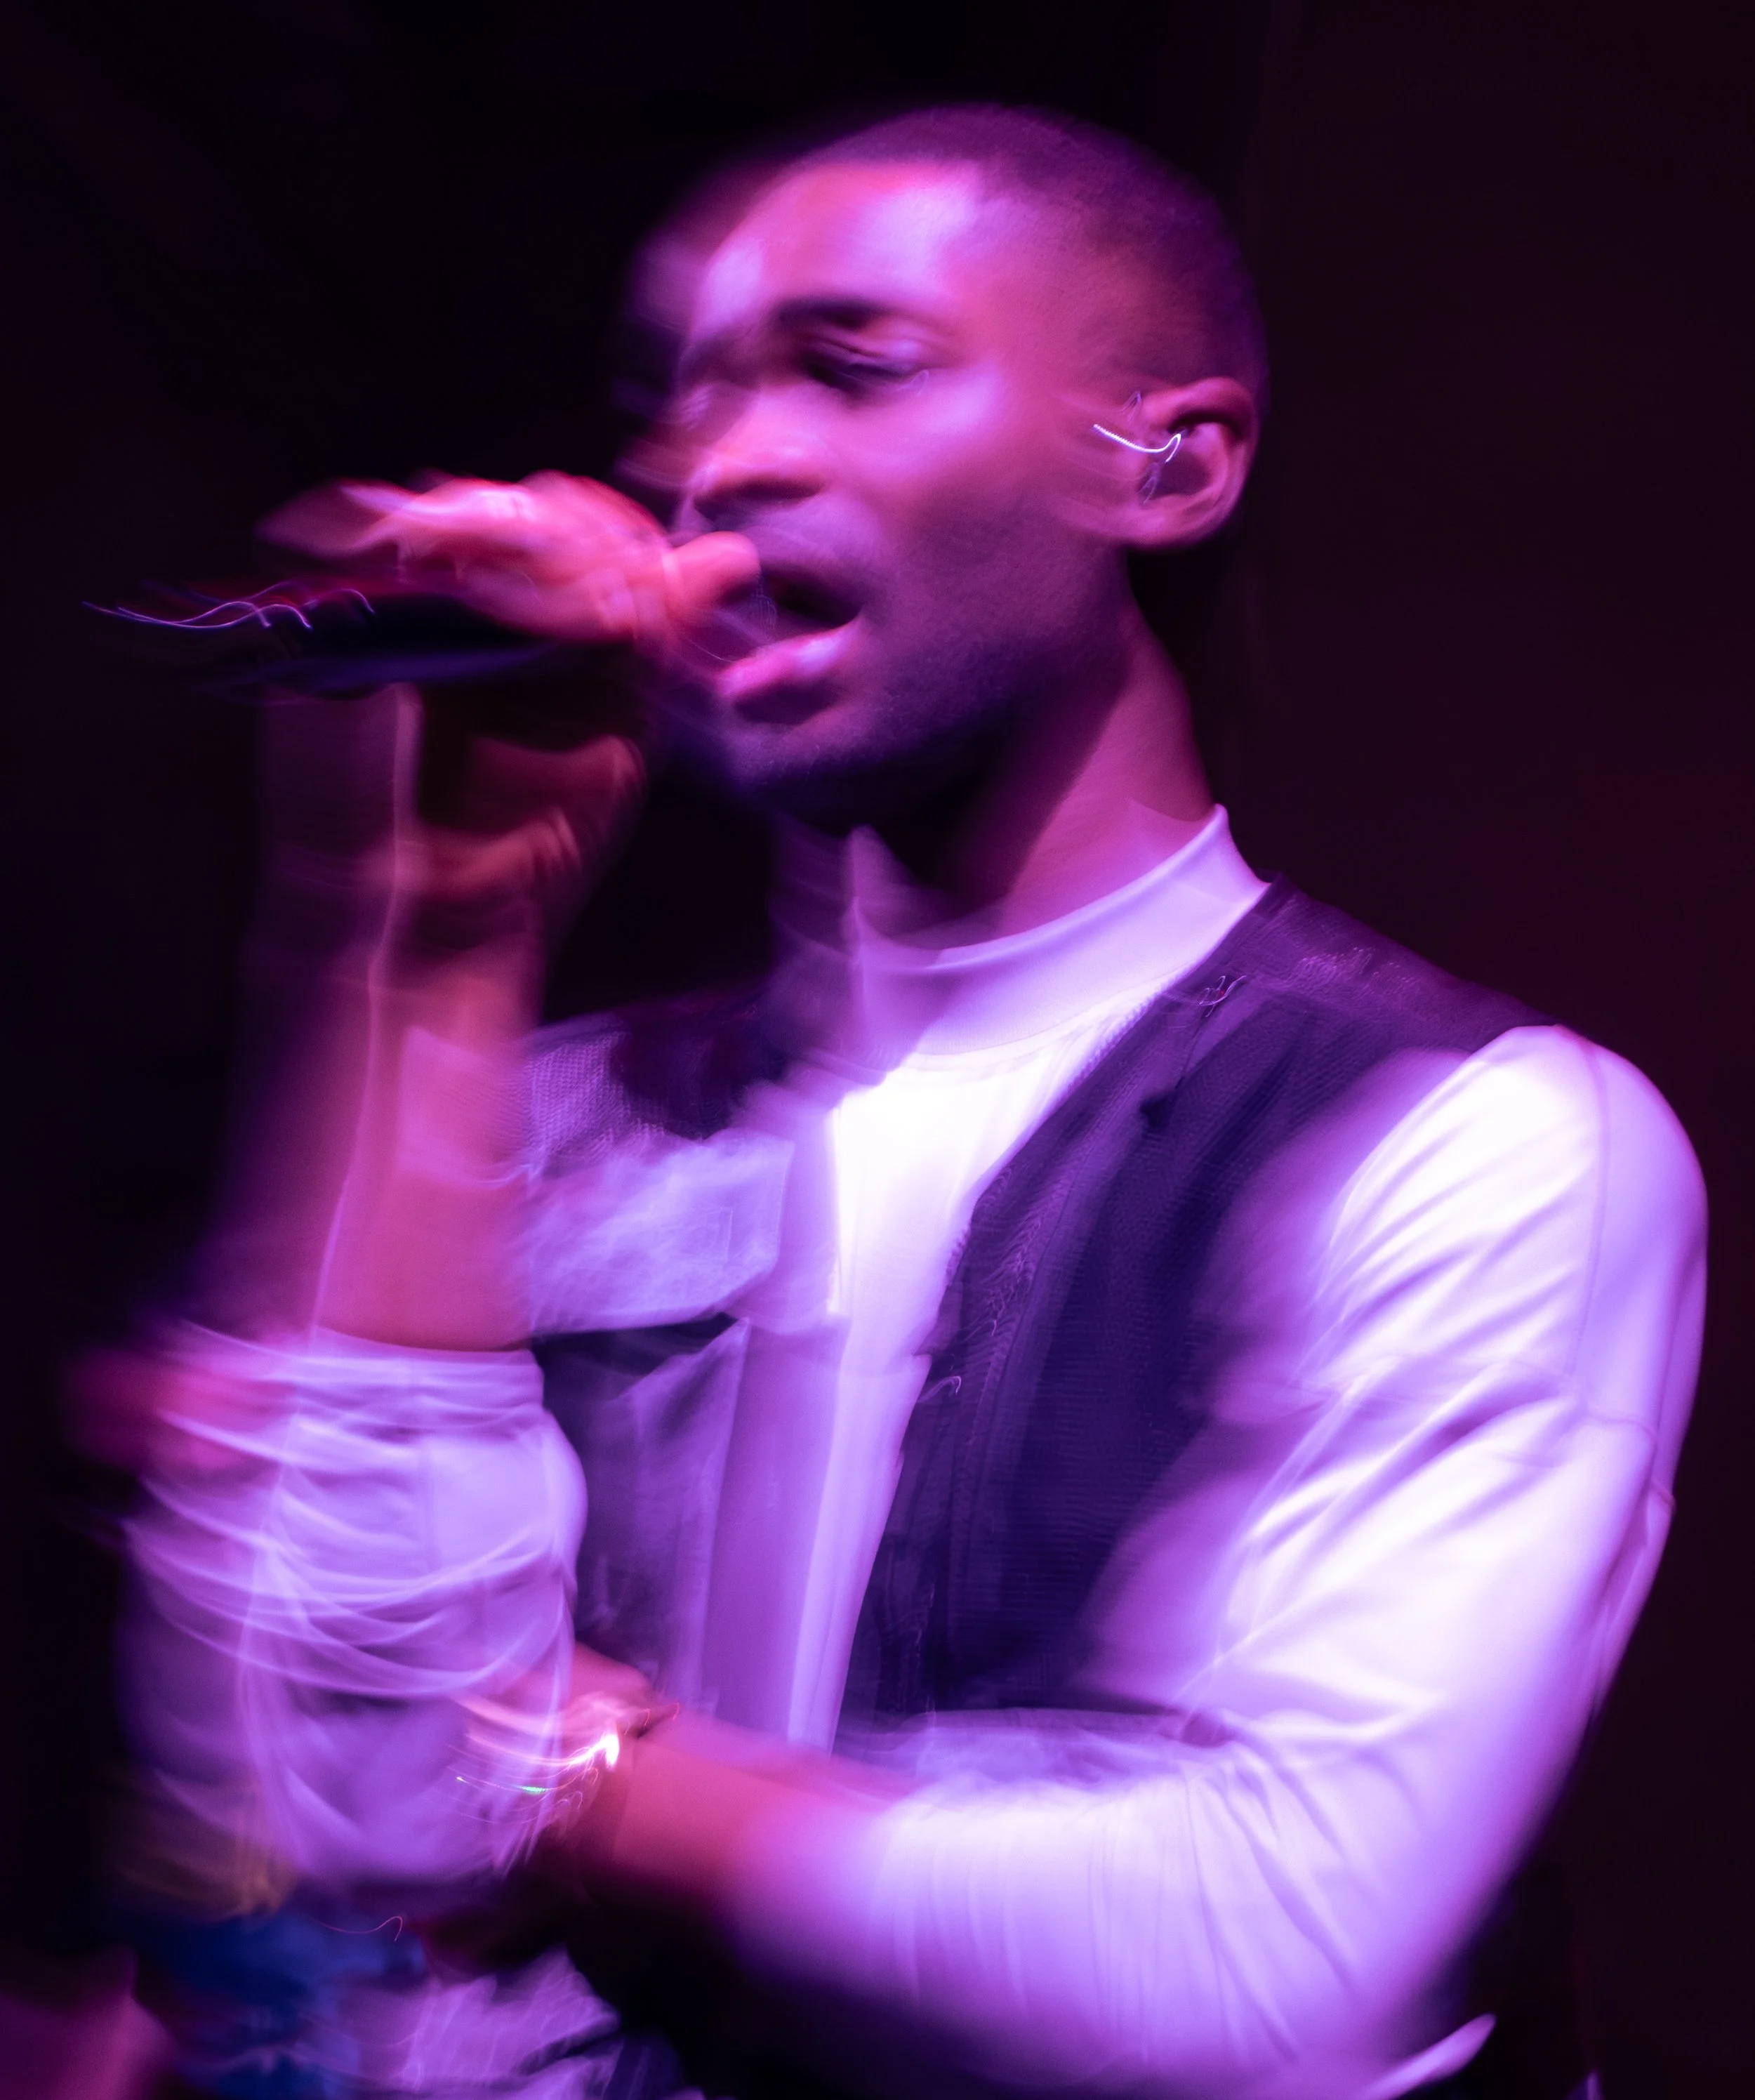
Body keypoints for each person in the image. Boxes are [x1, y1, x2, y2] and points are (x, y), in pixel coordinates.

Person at [106, 106, 1704, 2100]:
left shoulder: (1470, 1137)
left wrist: (557, 1771)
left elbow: (1261, 1948)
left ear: (1168, 461)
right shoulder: (561, 1118)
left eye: (848, 367)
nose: (716, 465)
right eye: (682, 400)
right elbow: (307, 1812)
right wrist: (429, 948)